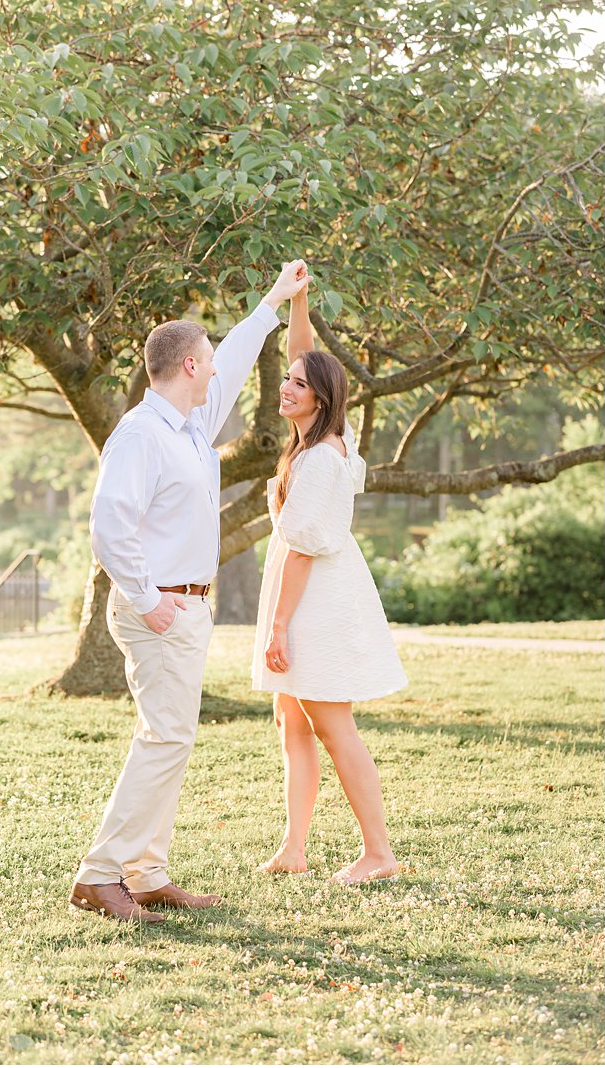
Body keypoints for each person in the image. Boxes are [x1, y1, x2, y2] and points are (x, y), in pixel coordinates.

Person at [70, 259, 310, 922]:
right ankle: (99, 874)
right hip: (160, 609)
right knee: (165, 737)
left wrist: (272, 300)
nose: (216, 370)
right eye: (206, 361)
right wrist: (149, 599)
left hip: (187, 606)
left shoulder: (193, 427)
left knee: (171, 737)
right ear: (187, 370)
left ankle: (146, 873)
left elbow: (234, 357)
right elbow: (109, 525)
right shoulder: (141, 435)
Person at [252, 279, 408, 886]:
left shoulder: (320, 459)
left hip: (312, 596)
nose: (286, 388)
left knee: (330, 722)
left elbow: (299, 550)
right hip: (309, 586)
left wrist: (279, 626)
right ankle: (294, 846)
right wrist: (298, 301)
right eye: (286, 380)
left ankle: (378, 853)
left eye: (298, 384)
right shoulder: (322, 438)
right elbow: (309, 353)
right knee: (291, 719)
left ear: (320, 399)